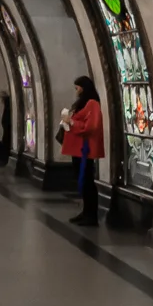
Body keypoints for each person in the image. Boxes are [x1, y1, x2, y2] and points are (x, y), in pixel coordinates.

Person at [58, 75, 103, 225]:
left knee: (87, 181)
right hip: (77, 148)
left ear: (83, 88)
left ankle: (91, 216)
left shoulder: (92, 104)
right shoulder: (83, 103)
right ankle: (86, 212)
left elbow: (91, 126)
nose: (76, 91)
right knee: (82, 180)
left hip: (85, 149)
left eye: (77, 88)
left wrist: (71, 122)